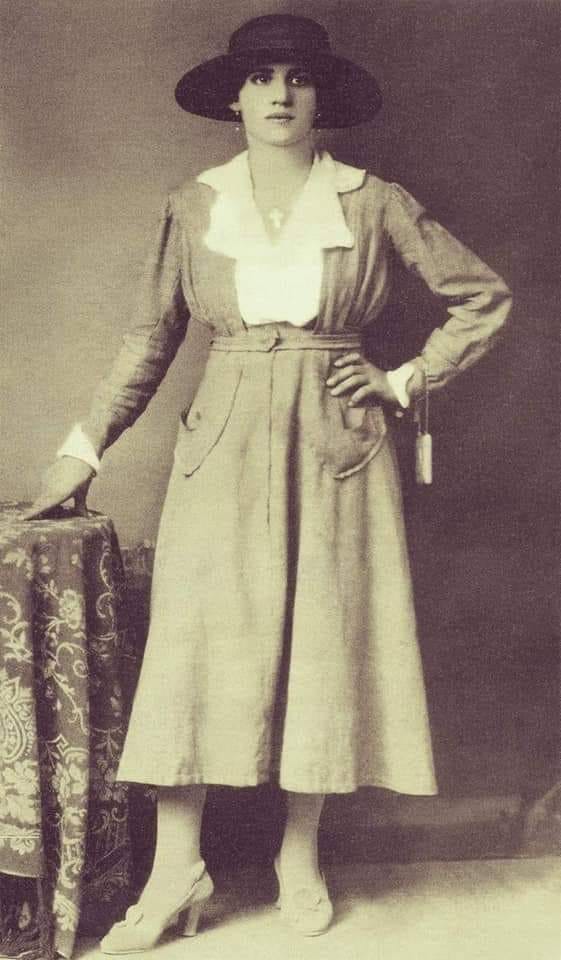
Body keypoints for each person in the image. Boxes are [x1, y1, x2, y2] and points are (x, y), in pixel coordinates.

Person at [25, 13, 512, 951]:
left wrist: (403, 379)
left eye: (296, 77)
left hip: (337, 442)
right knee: (194, 644)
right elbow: (149, 338)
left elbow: (480, 299)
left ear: (320, 96)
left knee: (322, 640)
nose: (280, 94)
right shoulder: (194, 204)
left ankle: (299, 856)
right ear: (235, 99)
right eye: (260, 79)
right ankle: (177, 869)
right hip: (224, 436)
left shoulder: (370, 201)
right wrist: (84, 447)